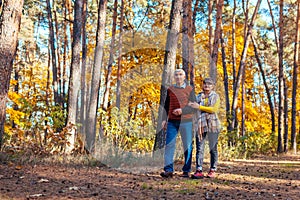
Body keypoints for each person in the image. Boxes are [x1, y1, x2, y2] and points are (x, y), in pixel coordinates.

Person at [160, 69, 196, 178]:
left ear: (184, 77)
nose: (178, 76)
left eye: (180, 75)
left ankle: (186, 170)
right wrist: (163, 119)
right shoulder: (170, 89)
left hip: (186, 121)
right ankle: (168, 170)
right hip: (172, 121)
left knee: (188, 146)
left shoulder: (189, 89)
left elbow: (193, 106)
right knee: (169, 145)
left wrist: (182, 111)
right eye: (176, 75)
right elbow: (166, 105)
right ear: (174, 77)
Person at [188, 77, 221, 179]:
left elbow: (213, 109)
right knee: (200, 148)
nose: (207, 86)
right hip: (200, 124)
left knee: (213, 148)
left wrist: (199, 107)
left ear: (212, 86)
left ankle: (213, 169)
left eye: (209, 84)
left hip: (213, 125)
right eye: (205, 84)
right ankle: (199, 169)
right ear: (202, 85)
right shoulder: (198, 97)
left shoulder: (215, 96)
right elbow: (192, 107)